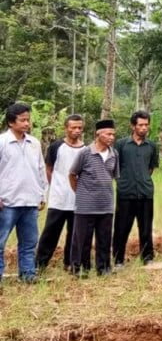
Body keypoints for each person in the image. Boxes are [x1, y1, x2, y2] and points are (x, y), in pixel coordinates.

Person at [0, 103, 47, 283]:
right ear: (11, 122)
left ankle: (28, 275)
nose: (27, 123)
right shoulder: (2, 142)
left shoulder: (34, 143)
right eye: (23, 120)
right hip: (7, 202)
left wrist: (42, 194)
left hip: (30, 201)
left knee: (29, 243)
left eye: (28, 120)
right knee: (0, 242)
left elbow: (41, 169)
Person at [69, 119, 119, 276]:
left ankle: (103, 268)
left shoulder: (114, 154)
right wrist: (81, 193)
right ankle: (80, 268)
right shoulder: (85, 153)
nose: (112, 137)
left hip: (106, 204)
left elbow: (113, 176)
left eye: (113, 134)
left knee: (104, 239)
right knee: (82, 239)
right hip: (85, 206)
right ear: (98, 134)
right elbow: (72, 174)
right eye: (108, 134)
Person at [36, 114, 84, 270]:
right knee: (51, 232)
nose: (77, 131)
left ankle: (69, 263)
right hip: (58, 198)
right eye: (73, 127)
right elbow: (48, 169)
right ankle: (40, 264)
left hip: (78, 199)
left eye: (79, 128)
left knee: (74, 233)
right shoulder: (56, 147)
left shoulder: (85, 149)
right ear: (66, 128)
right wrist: (54, 187)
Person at [112, 111, 159, 266]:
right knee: (121, 228)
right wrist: (125, 181)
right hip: (126, 192)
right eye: (140, 125)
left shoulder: (152, 146)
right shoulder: (121, 145)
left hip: (145, 192)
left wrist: (143, 179)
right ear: (133, 126)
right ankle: (118, 259)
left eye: (146, 125)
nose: (144, 128)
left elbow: (151, 168)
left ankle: (147, 257)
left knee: (145, 228)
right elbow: (115, 167)